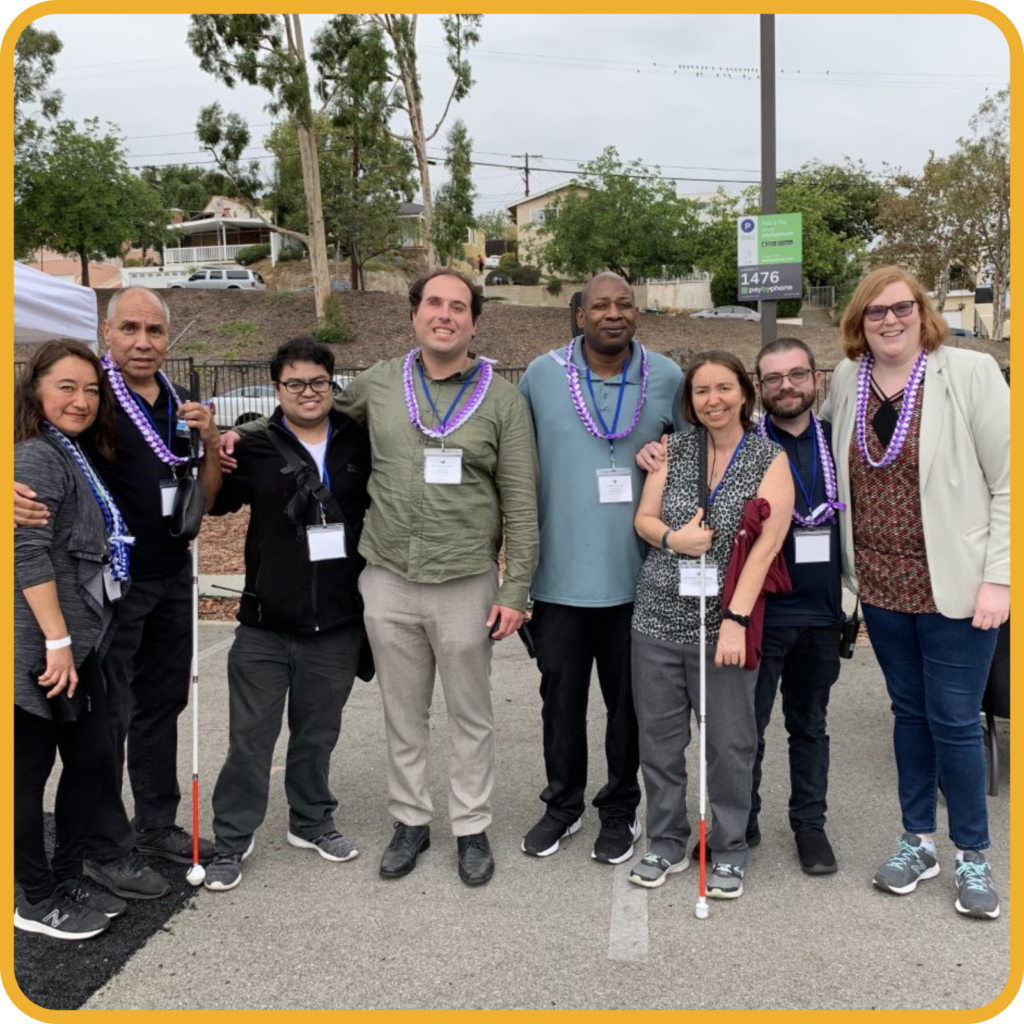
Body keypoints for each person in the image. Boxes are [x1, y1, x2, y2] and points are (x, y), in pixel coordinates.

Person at [222, 269, 539, 886]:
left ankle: (470, 826)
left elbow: (522, 503)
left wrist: (515, 589)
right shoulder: (378, 383)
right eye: (432, 304)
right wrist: (245, 433)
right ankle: (410, 820)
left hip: (465, 580)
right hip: (387, 577)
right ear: (415, 313)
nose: (444, 315)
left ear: (475, 320)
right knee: (403, 711)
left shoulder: (503, 401)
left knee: (471, 713)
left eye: (458, 306)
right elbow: (307, 409)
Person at [14, 287, 220, 897]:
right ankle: (105, 845)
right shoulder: (90, 396)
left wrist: (208, 442)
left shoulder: (179, 401)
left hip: (171, 573)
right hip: (108, 584)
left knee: (162, 703)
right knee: (107, 720)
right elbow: (28, 442)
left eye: (155, 331)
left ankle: (155, 822)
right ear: (107, 333)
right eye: (129, 328)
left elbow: (204, 495)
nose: (142, 342)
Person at [820, 266, 1009, 919]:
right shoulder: (848, 380)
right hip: (880, 583)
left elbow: (1009, 483)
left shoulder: (970, 373)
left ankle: (973, 858)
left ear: (921, 312)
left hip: (958, 585)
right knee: (910, 716)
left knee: (957, 721)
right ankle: (917, 843)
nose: (890, 320)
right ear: (859, 323)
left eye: (901, 308)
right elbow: (804, 448)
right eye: (875, 313)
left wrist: (1000, 578)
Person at [517, 272, 686, 864]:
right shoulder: (542, 375)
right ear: (580, 314)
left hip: (640, 581)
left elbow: (691, 464)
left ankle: (619, 810)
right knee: (559, 704)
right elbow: (516, 466)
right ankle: (561, 806)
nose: (614, 314)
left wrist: (666, 460)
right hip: (560, 579)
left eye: (625, 305)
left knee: (630, 708)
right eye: (600, 305)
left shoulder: (667, 377)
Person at [202, 338, 371, 891]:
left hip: (337, 622)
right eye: (294, 383)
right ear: (277, 389)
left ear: (332, 384)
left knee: (317, 733)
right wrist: (213, 445)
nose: (307, 392)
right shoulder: (252, 446)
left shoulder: (359, 441)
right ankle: (231, 839)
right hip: (263, 624)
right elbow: (213, 502)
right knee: (251, 738)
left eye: (317, 382)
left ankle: (312, 819)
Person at [629, 351, 793, 896]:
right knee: (659, 740)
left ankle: (727, 849)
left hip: (723, 626)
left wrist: (735, 619)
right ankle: (667, 841)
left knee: (730, 744)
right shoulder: (673, 451)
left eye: (724, 388)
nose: (713, 399)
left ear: (745, 393)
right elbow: (645, 520)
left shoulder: (769, 459)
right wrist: (676, 539)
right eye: (702, 391)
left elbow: (766, 549)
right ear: (690, 401)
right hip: (656, 619)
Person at [13, 341, 140, 938]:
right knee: (29, 770)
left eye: (91, 389)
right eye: (66, 386)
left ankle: (66, 875)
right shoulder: (36, 458)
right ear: (36, 389)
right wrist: (57, 641)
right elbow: (26, 551)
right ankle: (34, 898)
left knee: (89, 760)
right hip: (40, 644)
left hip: (79, 641)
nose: (81, 400)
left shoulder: (72, 454)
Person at [749, 338, 845, 875]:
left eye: (797, 374)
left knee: (809, 726)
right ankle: (743, 819)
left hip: (821, 615)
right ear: (759, 388)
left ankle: (809, 825)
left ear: (815, 379)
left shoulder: (840, 444)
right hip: (762, 613)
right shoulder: (744, 445)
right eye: (774, 378)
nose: (787, 385)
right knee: (749, 728)